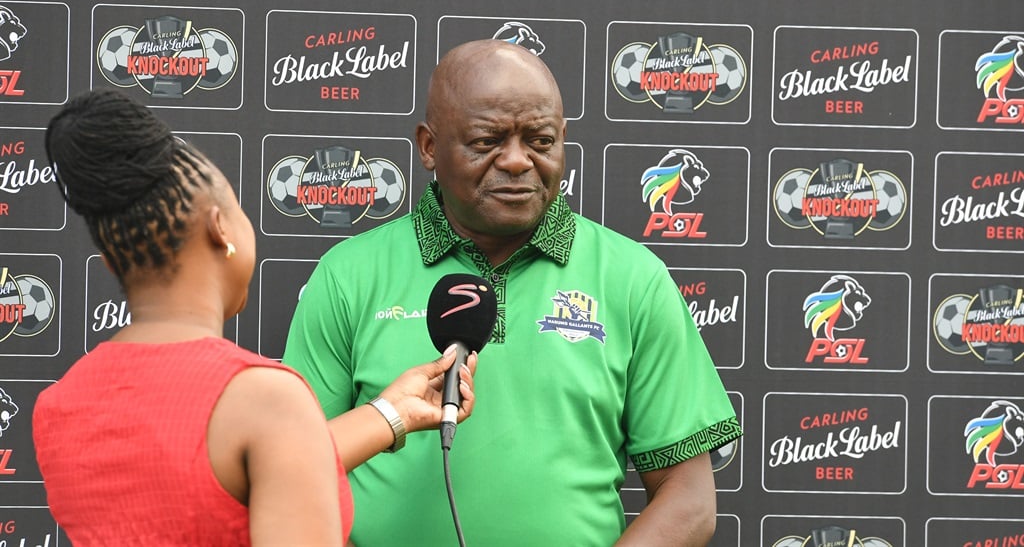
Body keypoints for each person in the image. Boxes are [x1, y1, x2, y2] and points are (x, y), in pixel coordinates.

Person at [283, 39, 742, 546]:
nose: (519, 161)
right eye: (487, 141)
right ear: (430, 146)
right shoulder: (348, 274)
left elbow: (689, 499)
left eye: (541, 141)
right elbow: (296, 471)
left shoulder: (633, 278)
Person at [32, 88, 478, 546]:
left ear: (110, 261)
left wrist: (392, 413)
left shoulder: (59, 406)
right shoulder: (264, 398)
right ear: (220, 228)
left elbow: (221, 477)